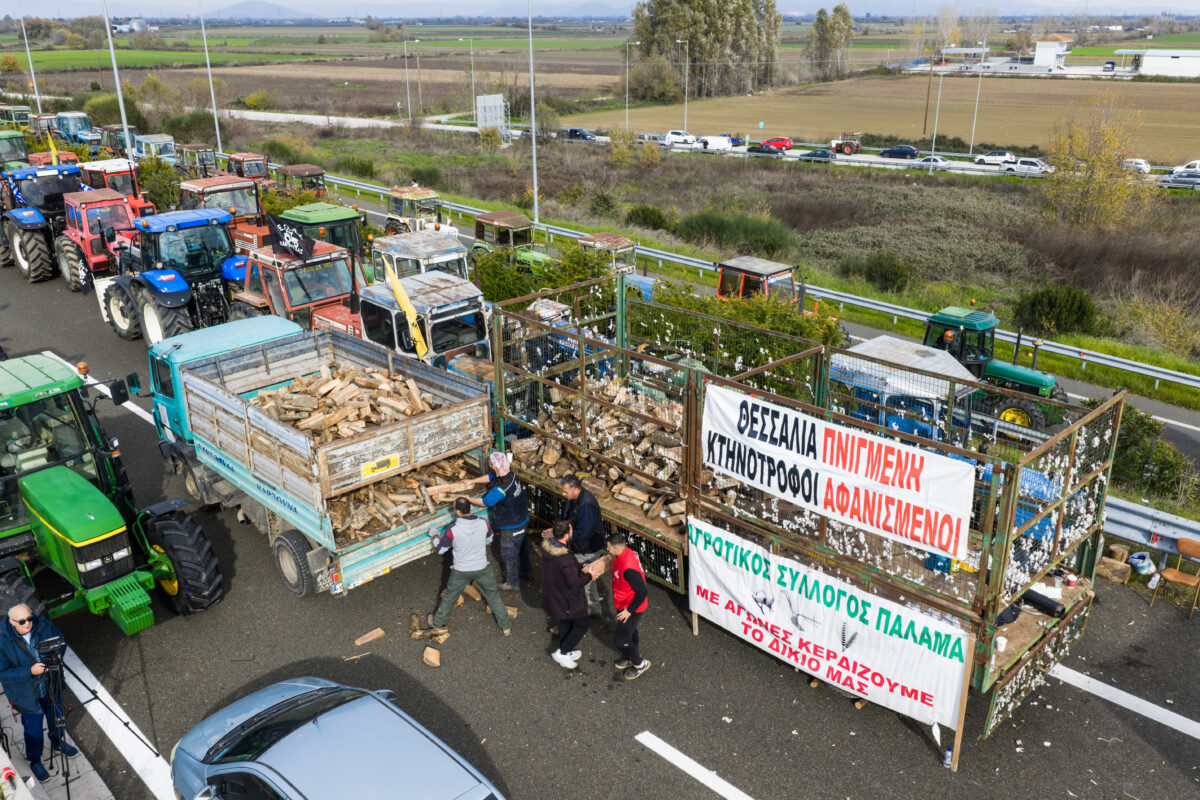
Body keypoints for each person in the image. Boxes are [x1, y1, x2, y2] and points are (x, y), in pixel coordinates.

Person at [0, 604, 78, 783]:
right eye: (22, 621)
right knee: (33, 730)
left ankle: (57, 742)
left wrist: (54, 657)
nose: (28, 623)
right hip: (27, 695)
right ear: (12, 622)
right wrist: (30, 671)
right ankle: (35, 760)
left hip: (51, 686)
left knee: (57, 718)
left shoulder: (43, 625)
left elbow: (61, 640)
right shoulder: (2, 642)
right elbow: (2, 673)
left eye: (29, 618)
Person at [428, 497, 512, 635]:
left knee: (450, 596)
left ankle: (437, 623)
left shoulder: (453, 529)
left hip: (461, 571)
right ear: (470, 508)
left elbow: (440, 550)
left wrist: (435, 536)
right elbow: (489, 539)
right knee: (493, 596)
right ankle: (506, 626)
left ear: (457, 512)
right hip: (482, 567)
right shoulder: (483, 523)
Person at [541, 521, 601, 669]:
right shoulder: (565, 558)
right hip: (567, 599)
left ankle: (566, 650)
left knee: (565, 621)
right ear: (566, 535)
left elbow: (567, 569)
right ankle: (563, 652)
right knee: (583, 623)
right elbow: (574, 583)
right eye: (571, 531)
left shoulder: (550, 549)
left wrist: (580, 567)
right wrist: (589, 576)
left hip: (555, 594)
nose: (573, 533)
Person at [544, 475, 605, 617]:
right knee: (579, 577)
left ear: (576, 489)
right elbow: (565, 517)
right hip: (577, 545)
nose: (563, 494)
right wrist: (556, 529)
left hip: (587, 549)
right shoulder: (572, 499)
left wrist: (562, 537)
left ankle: (593, 610)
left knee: (587, 580)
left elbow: (583, 532)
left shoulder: (587, 506)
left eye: (565, 492)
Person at [467, 452, 530, 589]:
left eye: (491, 463)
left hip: (511, 525)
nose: (490, 464)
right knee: (522, 548)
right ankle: (527, 572)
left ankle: (512, 583)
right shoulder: (510, 474)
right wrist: (472, 481)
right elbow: (490, 477)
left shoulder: (501, 489)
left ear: (495, 466)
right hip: (522, 518)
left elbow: (485, 502)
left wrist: (468, 499)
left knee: (509, 555)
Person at [593, 533, 651, 680]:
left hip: (630, 607)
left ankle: (640, 664)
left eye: (609, 548)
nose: (607, 550)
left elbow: (643, 592)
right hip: (624, 602)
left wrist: (629, 611)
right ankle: (630, 656)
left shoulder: (628, 569)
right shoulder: (625, 553)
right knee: (630, 631)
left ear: (617, 548)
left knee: (621, 640)